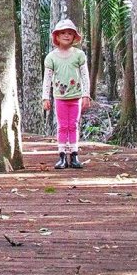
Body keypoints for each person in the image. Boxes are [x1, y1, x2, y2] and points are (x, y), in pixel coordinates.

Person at [42, 18, 91, 169]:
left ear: (74, 37)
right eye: (63, 33)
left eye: (70, 33)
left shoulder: (79, 55)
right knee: (63, 126)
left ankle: (74, 155)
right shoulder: (51, 57)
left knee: (74, 125)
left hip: (75, 96)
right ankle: (62, 155)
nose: (66, 36)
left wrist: (86, 94)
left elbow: (84, 76)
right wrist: (45, 97)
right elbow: (47, 78)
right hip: (60, 97)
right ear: (56, 36)